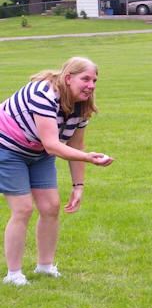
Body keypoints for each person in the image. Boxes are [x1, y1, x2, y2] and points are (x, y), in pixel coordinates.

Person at [1, 57, 114, 286]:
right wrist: (89, 158)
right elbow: (53, 145)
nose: (91, 85)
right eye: (85, 79)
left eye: (94, 80)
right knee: (23, 209)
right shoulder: (43, 95)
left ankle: (45, 267)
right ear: (68, 78)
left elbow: (76, 145)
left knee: (51, 207)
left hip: (39, 151)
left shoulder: (81, 104)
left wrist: (78, 186)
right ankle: (13, 275)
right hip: (7, 148)